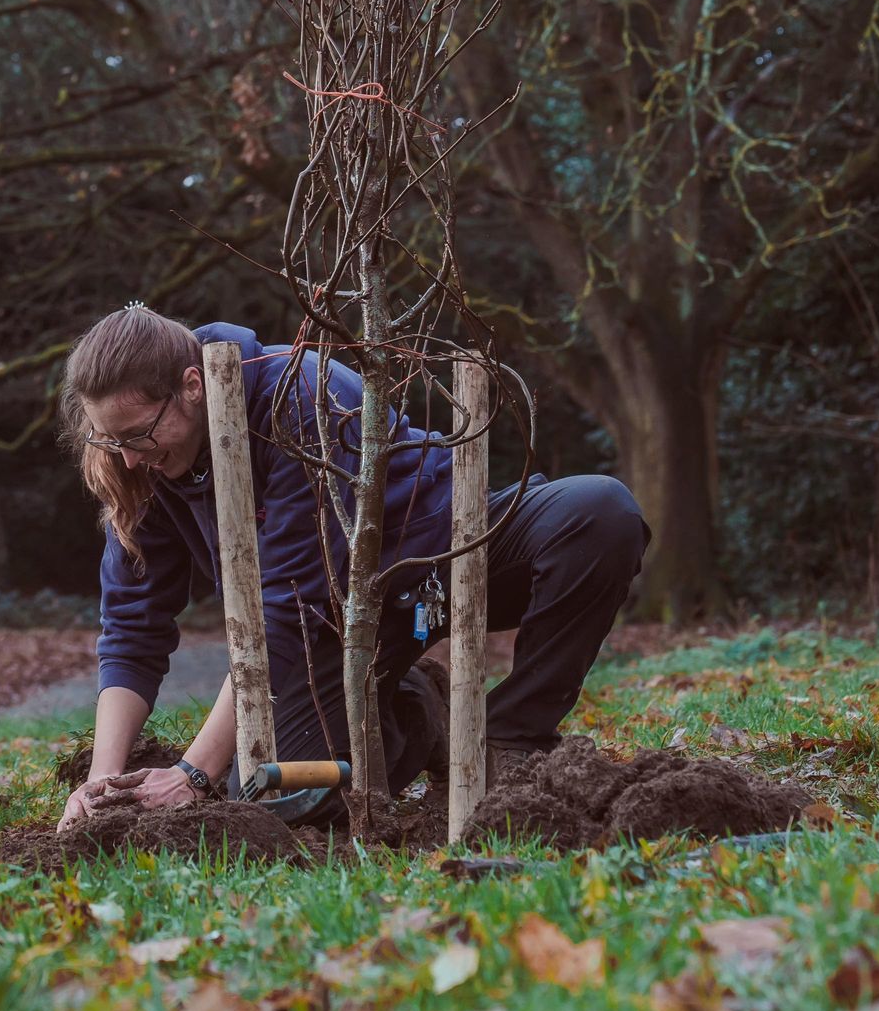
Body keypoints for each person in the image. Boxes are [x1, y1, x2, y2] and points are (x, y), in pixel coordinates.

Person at [55, 305, 647, 830]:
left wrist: (192, 773)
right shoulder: (140, 466)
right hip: (336, 620)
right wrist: (100, 783)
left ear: (192, 386)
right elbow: (132, 628)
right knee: (281, 792)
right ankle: (415, 711)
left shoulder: (299, 397)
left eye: (137, 435)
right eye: (109, 442)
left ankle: (512, 736)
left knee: (598, 514)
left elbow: (286, 606)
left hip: (445, 550)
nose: (128, 457)